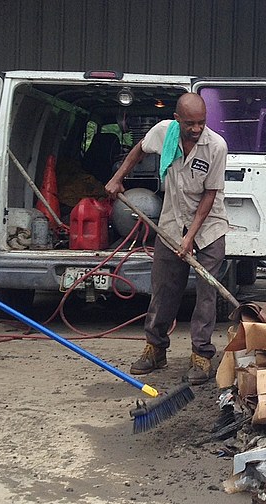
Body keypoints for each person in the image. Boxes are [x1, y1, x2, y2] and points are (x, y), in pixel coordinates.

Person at [105, 93, 228, 385]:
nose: (196, 129)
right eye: (190, 124)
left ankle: (201, 354)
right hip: (171, 224)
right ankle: (155, 348)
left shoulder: (216, 147)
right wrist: (119, 176)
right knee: (164, 288)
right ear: (177, 120)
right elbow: (139, 150)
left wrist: (191, 239)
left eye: (201, 123)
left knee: (206, 292)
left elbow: (210, 196)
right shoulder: (164, 133)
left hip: (208, 228)